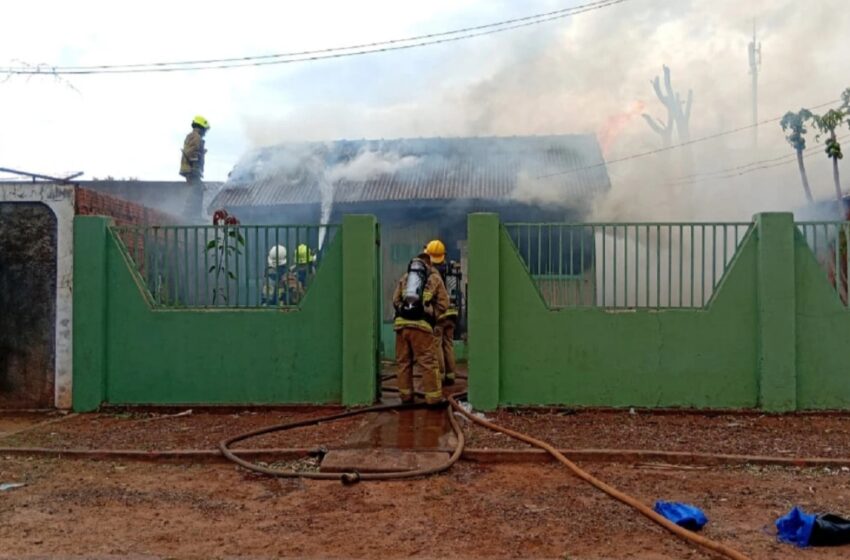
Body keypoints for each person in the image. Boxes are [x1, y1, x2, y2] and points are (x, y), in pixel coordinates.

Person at [392, 252, 449, 405]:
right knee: (428, 362)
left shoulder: (405, 278)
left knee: (403, 362)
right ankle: (434, 398)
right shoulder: (434, 278)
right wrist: (432, 315)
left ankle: (406, 397)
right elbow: (444, 304)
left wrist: (403, 311)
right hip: (421, 327)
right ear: (428, 264)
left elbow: (395, 299)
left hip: (401, 326)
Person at [425, 239, 459, 385]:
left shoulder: (432, 273)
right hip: (452, 314)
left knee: (437, 343)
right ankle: (451, 375)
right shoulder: (451, 269)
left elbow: (430, 294)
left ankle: (441, 375)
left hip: (440, 313)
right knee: (448, 343)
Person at [179, 115, 210, 221]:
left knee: (198, 188)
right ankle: (189, 214)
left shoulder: (192, 136)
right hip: (192, 168)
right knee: (196, 189)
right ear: (202, 127)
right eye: (205, 129)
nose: (205, 132)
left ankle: (194, 214)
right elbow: (193, 152)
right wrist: (196, 168)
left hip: (190, 168)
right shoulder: (196, 137)